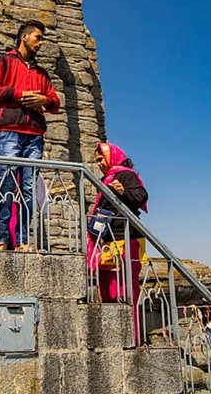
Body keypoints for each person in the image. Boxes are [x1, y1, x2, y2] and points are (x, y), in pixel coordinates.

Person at [0, 20, 60, 251]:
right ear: (24, 37)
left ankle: (24, 240)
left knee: (28, 187)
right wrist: (19, 94)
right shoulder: (4, 62)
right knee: (7, 184)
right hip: (9, 132)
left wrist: (43, 100)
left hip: (34, 134)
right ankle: (4, 238)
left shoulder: (41, 72)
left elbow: (55, 102)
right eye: (38, 37)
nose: (41, 42)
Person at [88, 142, 149, 341]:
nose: (99, 163)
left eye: (101, 159)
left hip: (126, 239)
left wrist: (123, 191)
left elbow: (140, 196)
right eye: (97, 160)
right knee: (108, 289)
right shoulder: (106, 178)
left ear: (112, 156)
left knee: (125, 289)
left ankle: (133, 335)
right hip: (109, 239)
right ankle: (114, 337)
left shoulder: (125, 175)